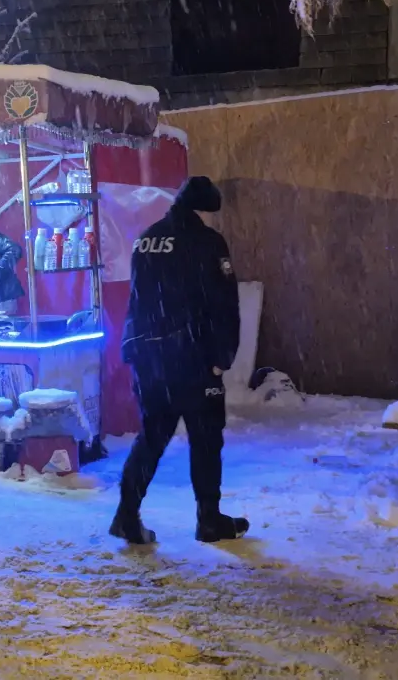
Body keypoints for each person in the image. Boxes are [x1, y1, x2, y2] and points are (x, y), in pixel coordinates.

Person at [111, 176, 246, 545]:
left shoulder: (147, 238)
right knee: (206, 439)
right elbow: (224, 305)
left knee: (152, 437)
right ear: (204, 210)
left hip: (150, 359)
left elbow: (139, 300)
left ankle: (126, 514)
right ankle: (209, 519)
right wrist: (222, 357)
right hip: (192, 358)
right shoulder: (207, 243)